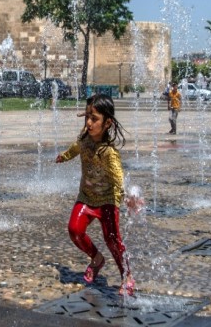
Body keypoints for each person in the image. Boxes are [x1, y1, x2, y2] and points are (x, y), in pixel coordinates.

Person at [55, 94, 142, 295]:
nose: (88, 122)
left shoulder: (108, 153)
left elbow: (119, 176)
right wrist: (64, 156)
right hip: (86, 197)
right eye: (87, 116)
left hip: (107, 202)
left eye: (94, 118)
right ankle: (96, 258)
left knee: (112, 240)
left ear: (107, 123)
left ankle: (127, 275)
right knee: (74, 230)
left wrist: (127, 195)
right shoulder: (84, 141)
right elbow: (74, 148)